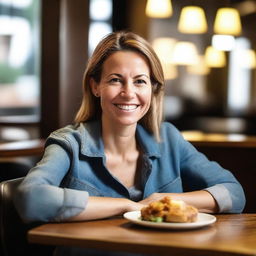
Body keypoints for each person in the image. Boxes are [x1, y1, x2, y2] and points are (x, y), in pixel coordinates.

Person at [15, 30, 245, 230]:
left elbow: (234, 194)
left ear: (153, 89)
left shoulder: (169, 138)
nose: (128, 92)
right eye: (116, 80)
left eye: (140, 81)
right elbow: (31, 199)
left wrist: (161, 202)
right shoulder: (69, 143)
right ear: (95, 86)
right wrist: (126, 206)